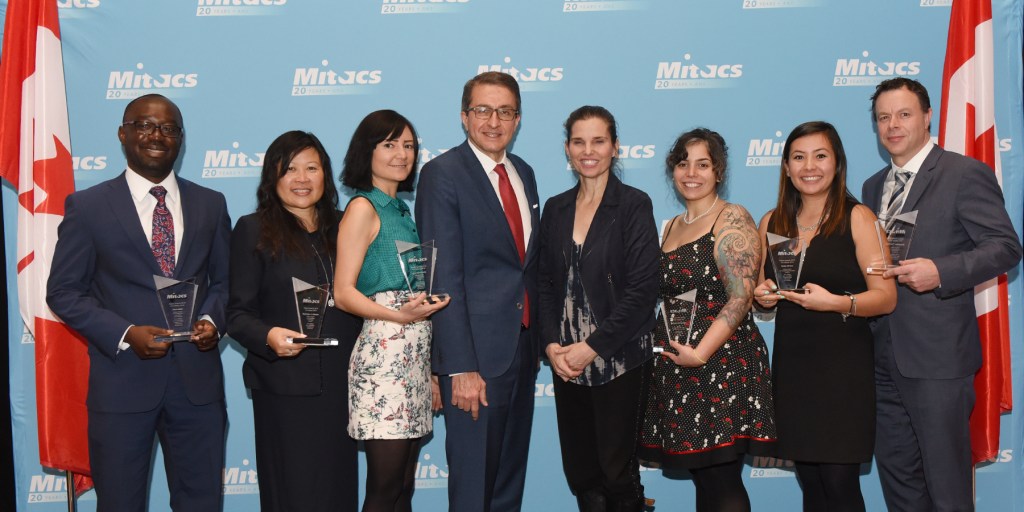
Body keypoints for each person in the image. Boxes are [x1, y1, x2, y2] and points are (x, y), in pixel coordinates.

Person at [46, 94, 229, 512]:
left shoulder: (211, 203)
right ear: (122, 133)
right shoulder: (88, 207)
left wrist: (212, 321)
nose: (156, 135)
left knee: (201, 503)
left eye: (168, 128)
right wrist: (126, 333)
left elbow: (225, 282)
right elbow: (63, 291)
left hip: (197, 387)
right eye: (144, 125)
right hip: (122, 385)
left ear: (181, 139)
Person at [861, 77, 1021, 511]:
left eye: (904, 114)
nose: (893, 125)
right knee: (900, 486)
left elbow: (1006, 247)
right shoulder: (873, 187)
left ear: (927, 116)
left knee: (947, 489)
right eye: (883, 117)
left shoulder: (963, 173)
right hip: (881, 358)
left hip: (938, 360)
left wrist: (941, 271)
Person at [753, 121, 896, 511]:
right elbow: (763, 292)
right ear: (786, 168)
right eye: (798, 157)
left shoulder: (859, 218)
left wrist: (836, 303)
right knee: (812, 486)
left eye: (820, 156)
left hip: (842, 373)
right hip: (794, 371)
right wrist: (763, 297)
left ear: (837, 163)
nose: (809, 167)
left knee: (839, 486)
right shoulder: (772, 222)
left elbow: (886, 298)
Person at [414, 71, 540, 512]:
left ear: (518, 119)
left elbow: (524, 266)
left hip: (521, 352)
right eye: (483, 110)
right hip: (475, 364)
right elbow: (442, 278)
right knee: (473, 490)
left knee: (507, 486)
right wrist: (460, 367)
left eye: (505, 111)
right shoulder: (442, 174)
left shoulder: (523, 173)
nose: (493, 121)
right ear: (464, 117)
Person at [637, 128, 776, 512]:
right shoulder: (671, 226)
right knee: (704, 477)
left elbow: (741, 297)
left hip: (722, 363)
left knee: (721, 478)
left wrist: (700, 354)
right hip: (678, 367)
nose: (691, 173)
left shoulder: (731, 217)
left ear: (719, 171)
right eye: (683, 164)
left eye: (703, 164)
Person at [226, 131, 360, 511]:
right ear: (273, 176)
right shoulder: (253, 229)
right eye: (290, 169)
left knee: (338, 492)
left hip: (344, 385)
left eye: (311, 168)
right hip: (284, 387)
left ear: (325, 175)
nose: (302, 179)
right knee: (292, 493)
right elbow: (236, 314)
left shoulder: (346, 226)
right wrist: (268, 335)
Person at [539, 106, 660, 511]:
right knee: (583, 475)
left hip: (619, 358)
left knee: (617, 474)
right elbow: (543, 283)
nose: (588, 151)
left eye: (598, 141)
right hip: (566, 363)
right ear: (567, 149)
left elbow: (643, 291)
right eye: (579, 142)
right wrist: (552, 346)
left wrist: (591, 348)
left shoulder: (633, 205)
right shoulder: (555, 208)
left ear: (615, 147)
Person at [335, 110, 449, 512]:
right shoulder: (363, 207)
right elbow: (343, 293)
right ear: (367, 151)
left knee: (402, 487)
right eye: (389, 144)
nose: (402, 154)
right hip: (384, 358)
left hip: (413, 355)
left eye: (409, 145)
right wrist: (398, 316)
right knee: (384, 490)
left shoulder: (401, 210)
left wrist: (430, 371)